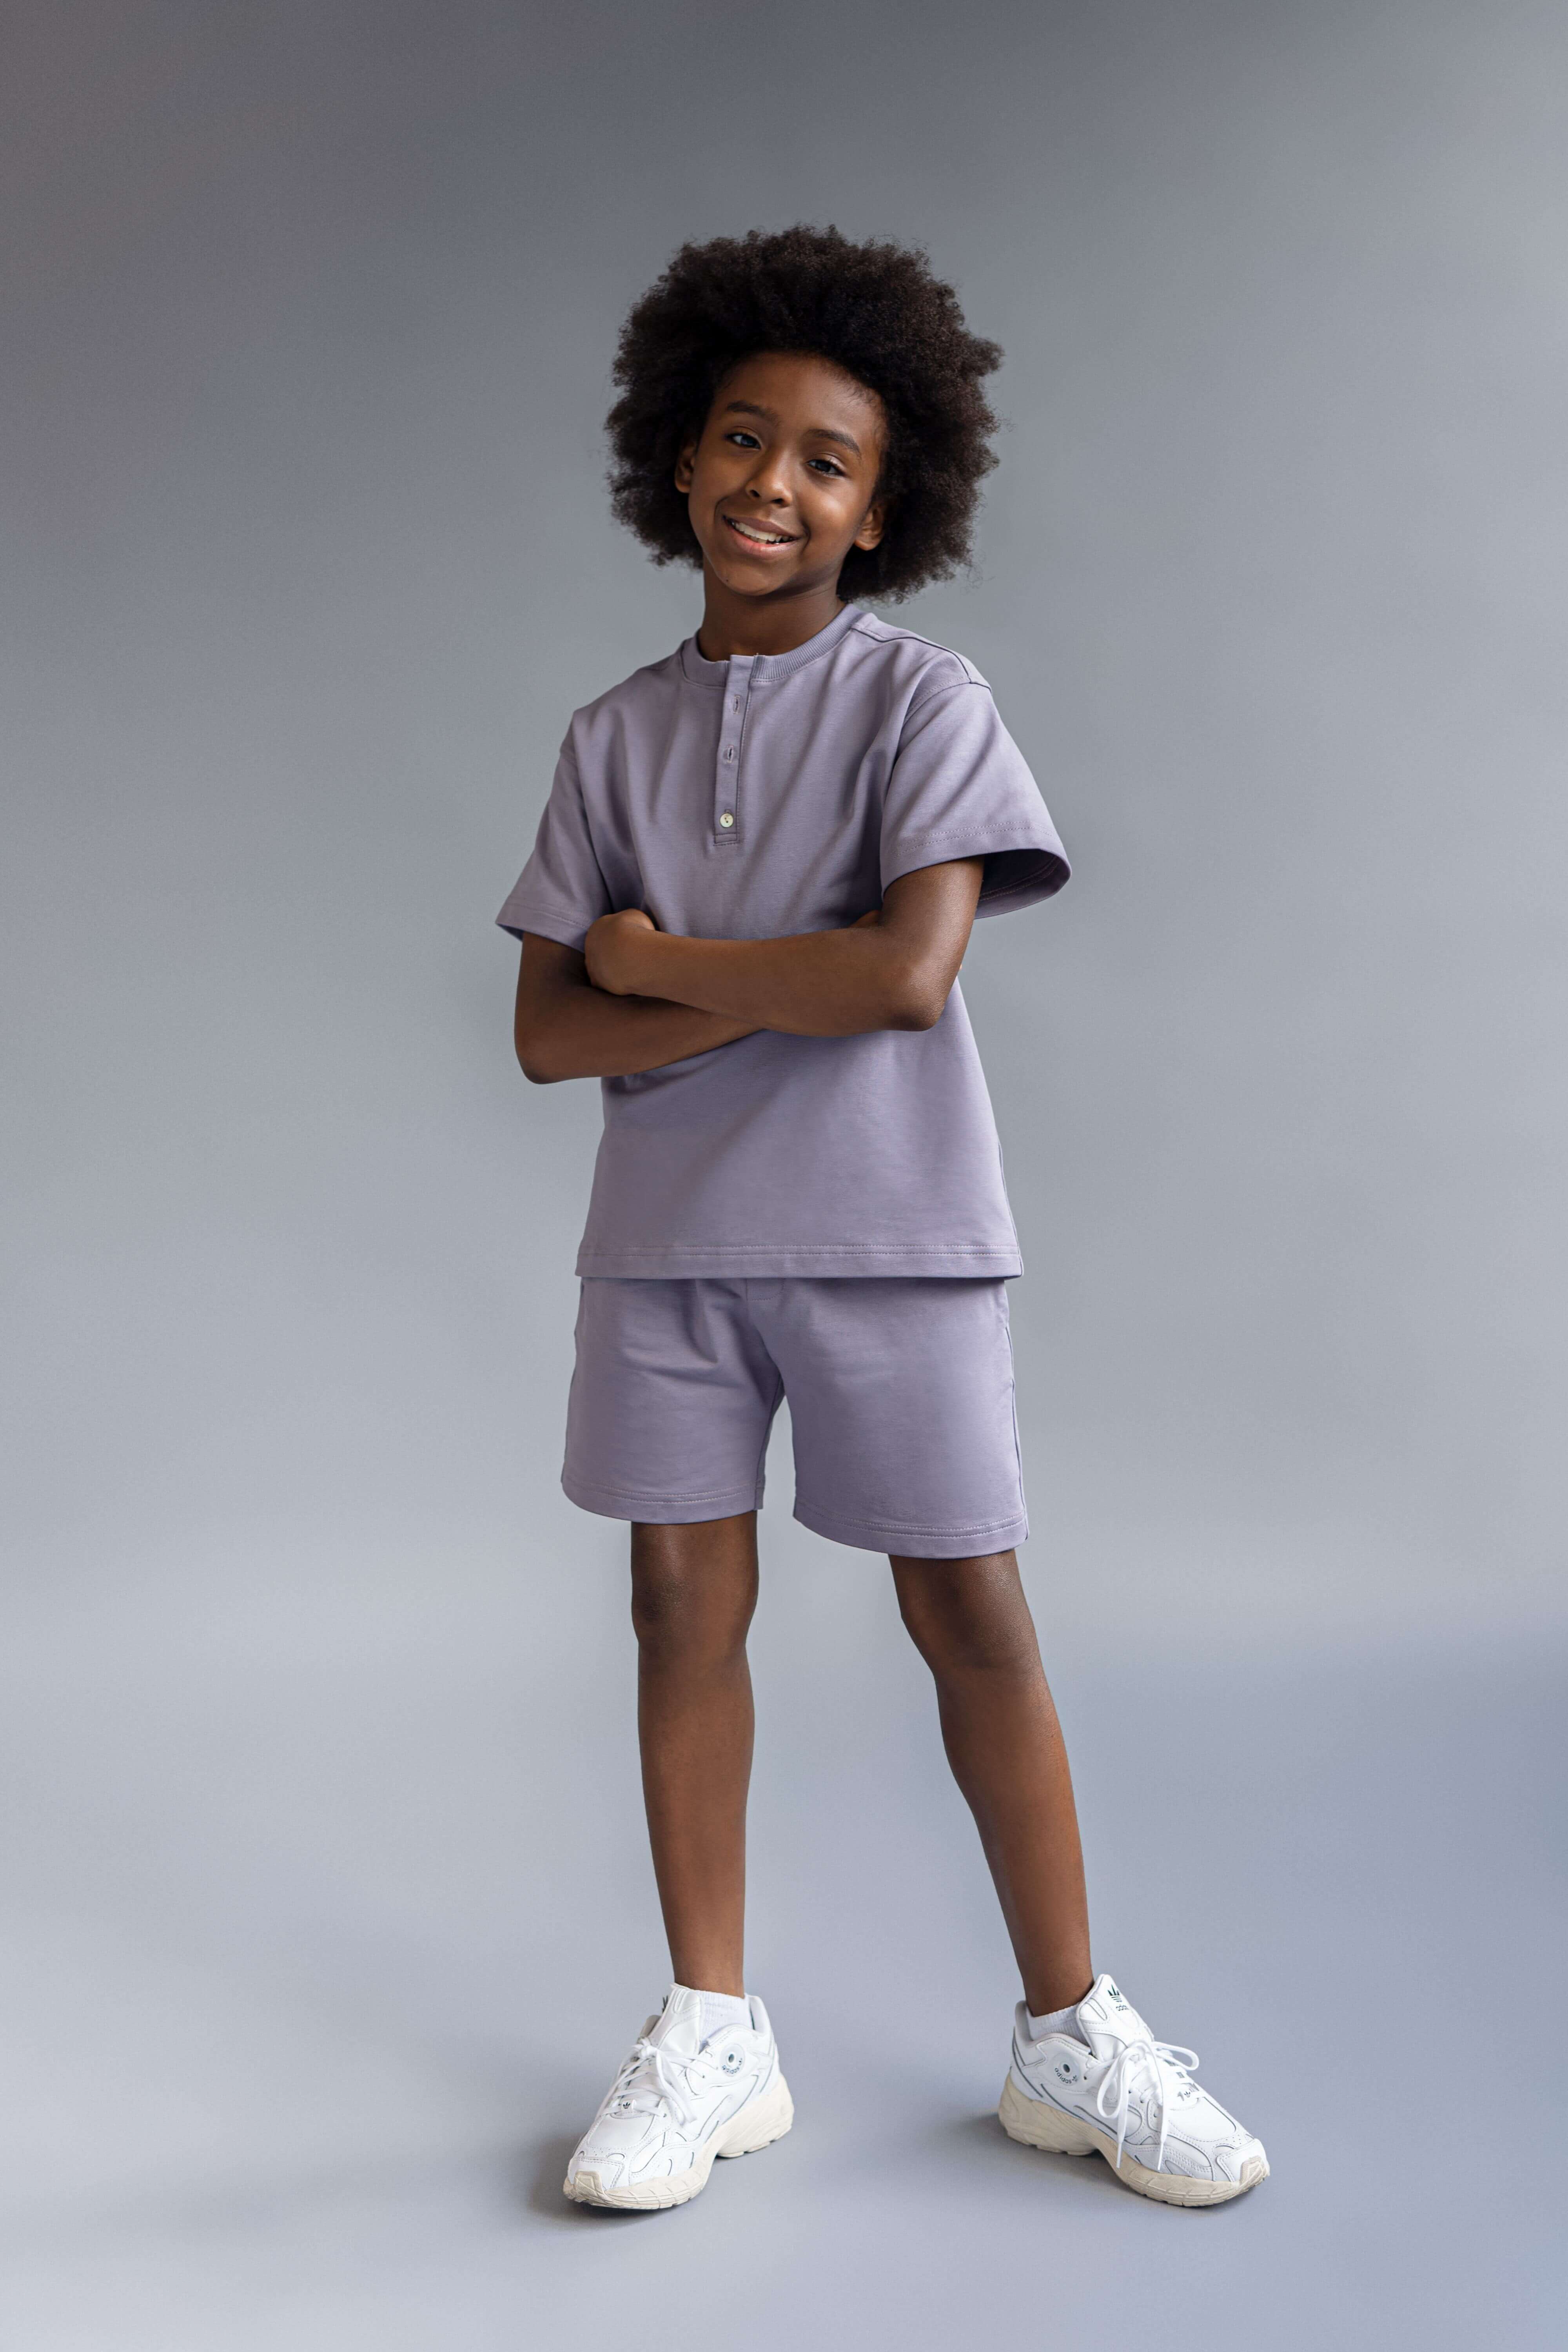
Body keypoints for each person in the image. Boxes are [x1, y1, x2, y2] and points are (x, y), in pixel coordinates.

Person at [500, 227, 1267, 2213]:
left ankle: (1069, 2036)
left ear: (881, 504)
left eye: (825, 460)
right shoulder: (610, 737)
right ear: (677, 455)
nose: (773, 483)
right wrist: (753, 977)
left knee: (971, 1614)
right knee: (680, 1612)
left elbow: (906, 979)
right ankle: (712, 2033)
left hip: (894, 1238)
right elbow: (544, 1034)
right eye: (741, 438)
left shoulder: (926, 700)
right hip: (665, 1254)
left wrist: (659, 961)